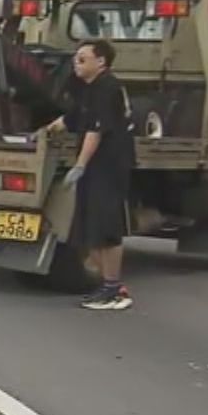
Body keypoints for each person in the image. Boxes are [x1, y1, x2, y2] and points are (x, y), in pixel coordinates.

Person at [44, 39, 133, 309]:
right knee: (90, 230)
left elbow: (95, 130)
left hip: (108, 166)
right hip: (95, 168)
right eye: (76, 59)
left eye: (83, 59)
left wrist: (80, 165)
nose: (76, 63)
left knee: (107, 228)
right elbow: (74, 117)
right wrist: (50, 129)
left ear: (101, 62)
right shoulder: (88, 89)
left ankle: (114, 290)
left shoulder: (107, 88)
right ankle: (108, 286)